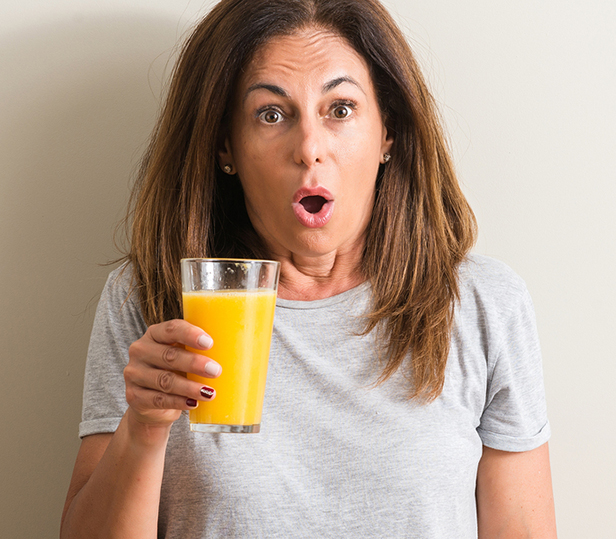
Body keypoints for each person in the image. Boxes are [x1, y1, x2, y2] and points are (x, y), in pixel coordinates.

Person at [60, 0, 556, 537]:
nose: (309, 148)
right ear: (225, 145)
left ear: (387, 131)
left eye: (340, 109)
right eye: (271, 114)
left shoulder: (482, 304)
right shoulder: (149, 297)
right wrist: (143, 430)